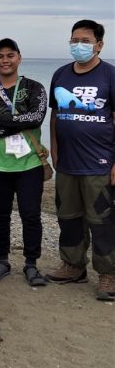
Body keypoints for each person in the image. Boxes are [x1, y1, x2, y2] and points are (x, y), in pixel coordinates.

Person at [44, 19, 115, 301]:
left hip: (100, 163)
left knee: (103, 220)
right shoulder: (61, 75)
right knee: (68, 216)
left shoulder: (110, 76)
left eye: (85, 41)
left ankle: (108, 273)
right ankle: (73, 265)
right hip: (67, 164)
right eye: (74, 40)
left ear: (99, 45)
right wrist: (54, 150)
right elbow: (55, 116)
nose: (78, 45)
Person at [0, 38, 48, 287]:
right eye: (0, 56)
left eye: (10, 55)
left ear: (19, 58)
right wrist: (15, 123)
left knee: (31, 215)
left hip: (29, 165)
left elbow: (36, 117)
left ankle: (31, 264)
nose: (5, 60)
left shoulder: (34, 87)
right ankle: (2, 261)